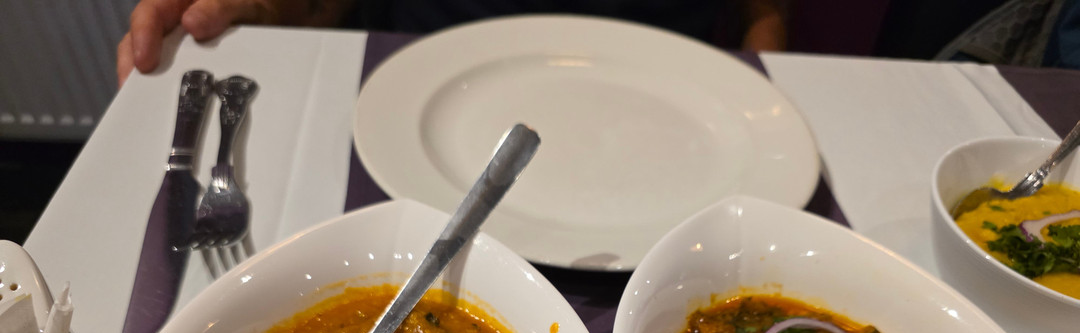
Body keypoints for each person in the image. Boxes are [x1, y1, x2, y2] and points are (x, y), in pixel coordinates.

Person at [117, 0, 791, 86]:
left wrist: (777, 85)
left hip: (676, 77)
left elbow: (763, 7)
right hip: (412, 74)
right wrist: (266, 9)